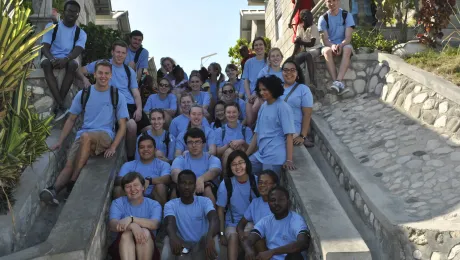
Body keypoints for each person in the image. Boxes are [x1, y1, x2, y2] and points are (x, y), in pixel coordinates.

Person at [40, 60, 128, 205]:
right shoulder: (84, 94)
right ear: (95, 74)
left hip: (104, 135)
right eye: (100, 73)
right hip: (83, 135)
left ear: (111, 75)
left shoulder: (117, 95)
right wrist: (60, 141)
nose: (103, 76)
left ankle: (72, 183)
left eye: (107, 73)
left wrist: (113, 147)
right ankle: (54, 190)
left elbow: (122, 126)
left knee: (86, 137)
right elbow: (71, 119)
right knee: (69, 163)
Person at [79, 40, 150, 161]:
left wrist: (139, 108)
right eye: (118, 52)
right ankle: (131, 158)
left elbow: (135, 93)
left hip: (130, 105)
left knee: (150, 129)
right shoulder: (103, 66)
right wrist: (85, 80)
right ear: (112, 52)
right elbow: (80, 70)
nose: (120, 55)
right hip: (115, 104)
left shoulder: (129, 71)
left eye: (123, 53)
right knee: (131, 125)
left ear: (126, 54)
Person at [41, 0, 87, 120]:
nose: (72, 14)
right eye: (70, 11)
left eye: (75, 12)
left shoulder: (80, 33)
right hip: (50, 56)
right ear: (63, 12)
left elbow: (78, 50)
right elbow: (44, 47)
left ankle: (58, 104)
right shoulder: (51, 26)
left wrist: (66, 59)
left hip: (69, 57)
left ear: (78, 14)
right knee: (45, 64)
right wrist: (52, 59)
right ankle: (61, 105)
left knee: (72, 65)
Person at [162, 170, 220, 260]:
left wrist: (209, 237)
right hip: (182, 244)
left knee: (214, 241)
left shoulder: (204, 201)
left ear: (195, 186)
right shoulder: (170, 204)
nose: (186, 187)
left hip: (202, 243)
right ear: (177, 186)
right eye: (183, 183)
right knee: (167, 240)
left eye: (190, 183)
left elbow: (214, 218)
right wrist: (173, 237)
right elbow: (169, 223)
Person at [246, 75, 296, 177]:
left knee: (269, 188)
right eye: (260, 90)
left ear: (273, 89)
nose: (261, 93)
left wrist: (289, 160)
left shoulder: (283, 107)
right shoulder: (263, 106)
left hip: (274, 157)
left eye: (265, 89)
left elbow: (289, 135)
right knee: (245, 169)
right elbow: (257, 134)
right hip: (260, 154)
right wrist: (245, 156)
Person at [243, 186, 311, 260]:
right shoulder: (266, 221)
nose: (276, 203)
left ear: (288, 202)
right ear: (268, 203)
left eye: (281, 200)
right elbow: (250, 239)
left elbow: (302, 243)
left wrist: (273, 252)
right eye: (273, 200)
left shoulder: (296, 220)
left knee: (294, 257)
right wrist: (248, 249)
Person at [109, 172, 162, 260]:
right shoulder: (118, 203)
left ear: (143, 187)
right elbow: (112, 224)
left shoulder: (154, 204)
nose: (132, 189)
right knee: (126, 234)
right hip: (122, 250)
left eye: (136, 185)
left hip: (147, 249)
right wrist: (132, 226)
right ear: (124, 190)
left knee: (144, 232)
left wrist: (131, 219)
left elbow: (154, 224)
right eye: (128, 186)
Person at [217, 151, 259, 260]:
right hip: (232, 223)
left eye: (241, 163)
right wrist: (221, 234)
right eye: (234, 164)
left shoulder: (256, 181)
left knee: (248, 234)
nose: (238, 167)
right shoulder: (226, 184)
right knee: (234, 236)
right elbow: (220, 210)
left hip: (251, 222)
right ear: (230, 167)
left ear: (247, 164)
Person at [114, 135, 171, 206]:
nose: (145, 149)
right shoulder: (128, 165)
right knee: (118, 189)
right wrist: (139, 183)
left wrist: (150, 181)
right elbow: (118, 180)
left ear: (155, 149)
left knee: (161, 186)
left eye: (149, 147)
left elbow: (167, 178)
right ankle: (122, 214)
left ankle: (160, 215)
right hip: (133, 195)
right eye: (142, 147)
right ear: (138, 150)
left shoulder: (163, 164)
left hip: (153, 197)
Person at [171, 128, 221, 204]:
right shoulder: (181, 159)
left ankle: (212, 215)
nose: (194, 145)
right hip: (186, 188)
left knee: (207, 188)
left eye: (197, 142)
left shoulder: (211, 158)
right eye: (190, 142)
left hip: (206, 188)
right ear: (186, 144)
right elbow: (175, 174)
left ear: (203, 144)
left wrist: (201, 179)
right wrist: (192, 185)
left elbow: (214, 171)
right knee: (174, 188)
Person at [318, 0, 355, 95]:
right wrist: (332, 46)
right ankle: (337, 83)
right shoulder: (323, 19)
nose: (332, 3)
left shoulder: (346, 15)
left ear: (338, 1)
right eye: (329, 1)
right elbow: (325, 40)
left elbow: (348, 38)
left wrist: (341, 45)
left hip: (344, 43)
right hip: (330, 44)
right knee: (326, 51)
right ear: (325, 3)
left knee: (347, 49)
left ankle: (338, 81)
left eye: (334, 0)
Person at [237, 170, 279, 248]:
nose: (262, 185)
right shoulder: (255, 202)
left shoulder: (278, 204)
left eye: (266, 183)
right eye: (260, 182)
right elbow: (241, 223)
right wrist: (241, 234)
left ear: (274, 185)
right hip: (259, 241)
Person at [281, 58, 314, 148]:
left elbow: (307, 114)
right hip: (277, 126)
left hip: (292, 129)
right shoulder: (277, 88)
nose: (289, 73)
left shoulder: (303, 89)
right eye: (286, 70)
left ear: (297, 73)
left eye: (292, 70)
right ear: (282, 72)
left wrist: (302, 136)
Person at [215, 102, 253, 173]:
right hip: (226, 163)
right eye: (228, 112)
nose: (231, 115)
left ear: (238, 113)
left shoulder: (246, 130)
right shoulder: (219, 131)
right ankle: (226, 179)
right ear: (225, 114)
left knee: (240, 148)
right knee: (229, 151)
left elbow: (251, 150)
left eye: (234, 112)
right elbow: (217, 152)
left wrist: (242, 142)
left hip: (243, 162)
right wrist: (229, 145)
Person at [293, 9, 322, 87]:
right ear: (304, 19)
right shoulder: (299, 27)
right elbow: (297, 43)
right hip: (304, 51)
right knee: (295, 61)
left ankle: (311, 82)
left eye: (311, 18)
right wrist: (293, 54)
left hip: (315, 48)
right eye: (309, 18)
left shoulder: (313, 27)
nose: (311, 20)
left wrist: (300, 42)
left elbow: (312, 43)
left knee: (308, 55)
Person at [125, 30, 152, 105]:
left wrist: (137, 86)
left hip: (134, 79)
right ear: (130, 39)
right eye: (135, 39)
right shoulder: (124, 49)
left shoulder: (144, 52)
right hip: (121, 76)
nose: (137, 42)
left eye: (139, 40)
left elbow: (143, 69)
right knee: (131, 64)